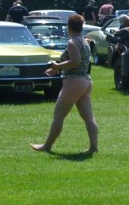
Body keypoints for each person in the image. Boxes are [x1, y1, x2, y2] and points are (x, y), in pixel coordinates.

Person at [32, 14, 98, 154]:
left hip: (73, 82)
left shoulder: (73, 42)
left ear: (69, 28)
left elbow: (75, 61)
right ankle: (94, 147)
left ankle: (47, 146)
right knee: (88, 117)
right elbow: (75, 62)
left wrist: (56, 66)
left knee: (58, 116)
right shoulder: (85, 41)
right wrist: (54, 69)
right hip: (86, 81)